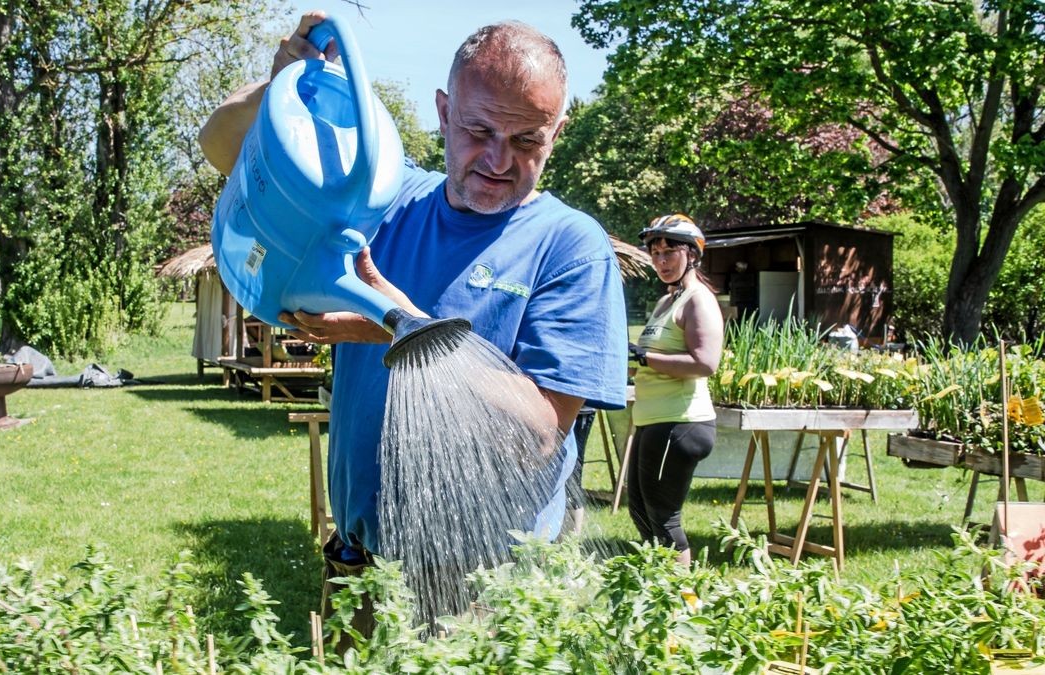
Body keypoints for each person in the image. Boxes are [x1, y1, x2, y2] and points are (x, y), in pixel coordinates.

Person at [199, 11, 627, 627]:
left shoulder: (570, 245)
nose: (499, 160)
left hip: (478, 585)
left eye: (527, 140)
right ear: (444, 111)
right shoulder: (385, 196)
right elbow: (221, 148)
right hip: (357, 563)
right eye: (479, 130)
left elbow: (539, 433)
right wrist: (281, 90)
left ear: (557, 130)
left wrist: (396, 323)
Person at [626, 214, 723, 566]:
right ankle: (660, 590)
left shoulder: (698, 300)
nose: (662, 262)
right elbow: (650, 357)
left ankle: (683, 605)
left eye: (670, 253)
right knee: (639, 511)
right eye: (655, 254)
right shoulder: (665, 302)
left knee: (664, 519)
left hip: (680, 421)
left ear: (692, 255)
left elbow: (705, 362)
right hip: (653, 420)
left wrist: (646, 358)